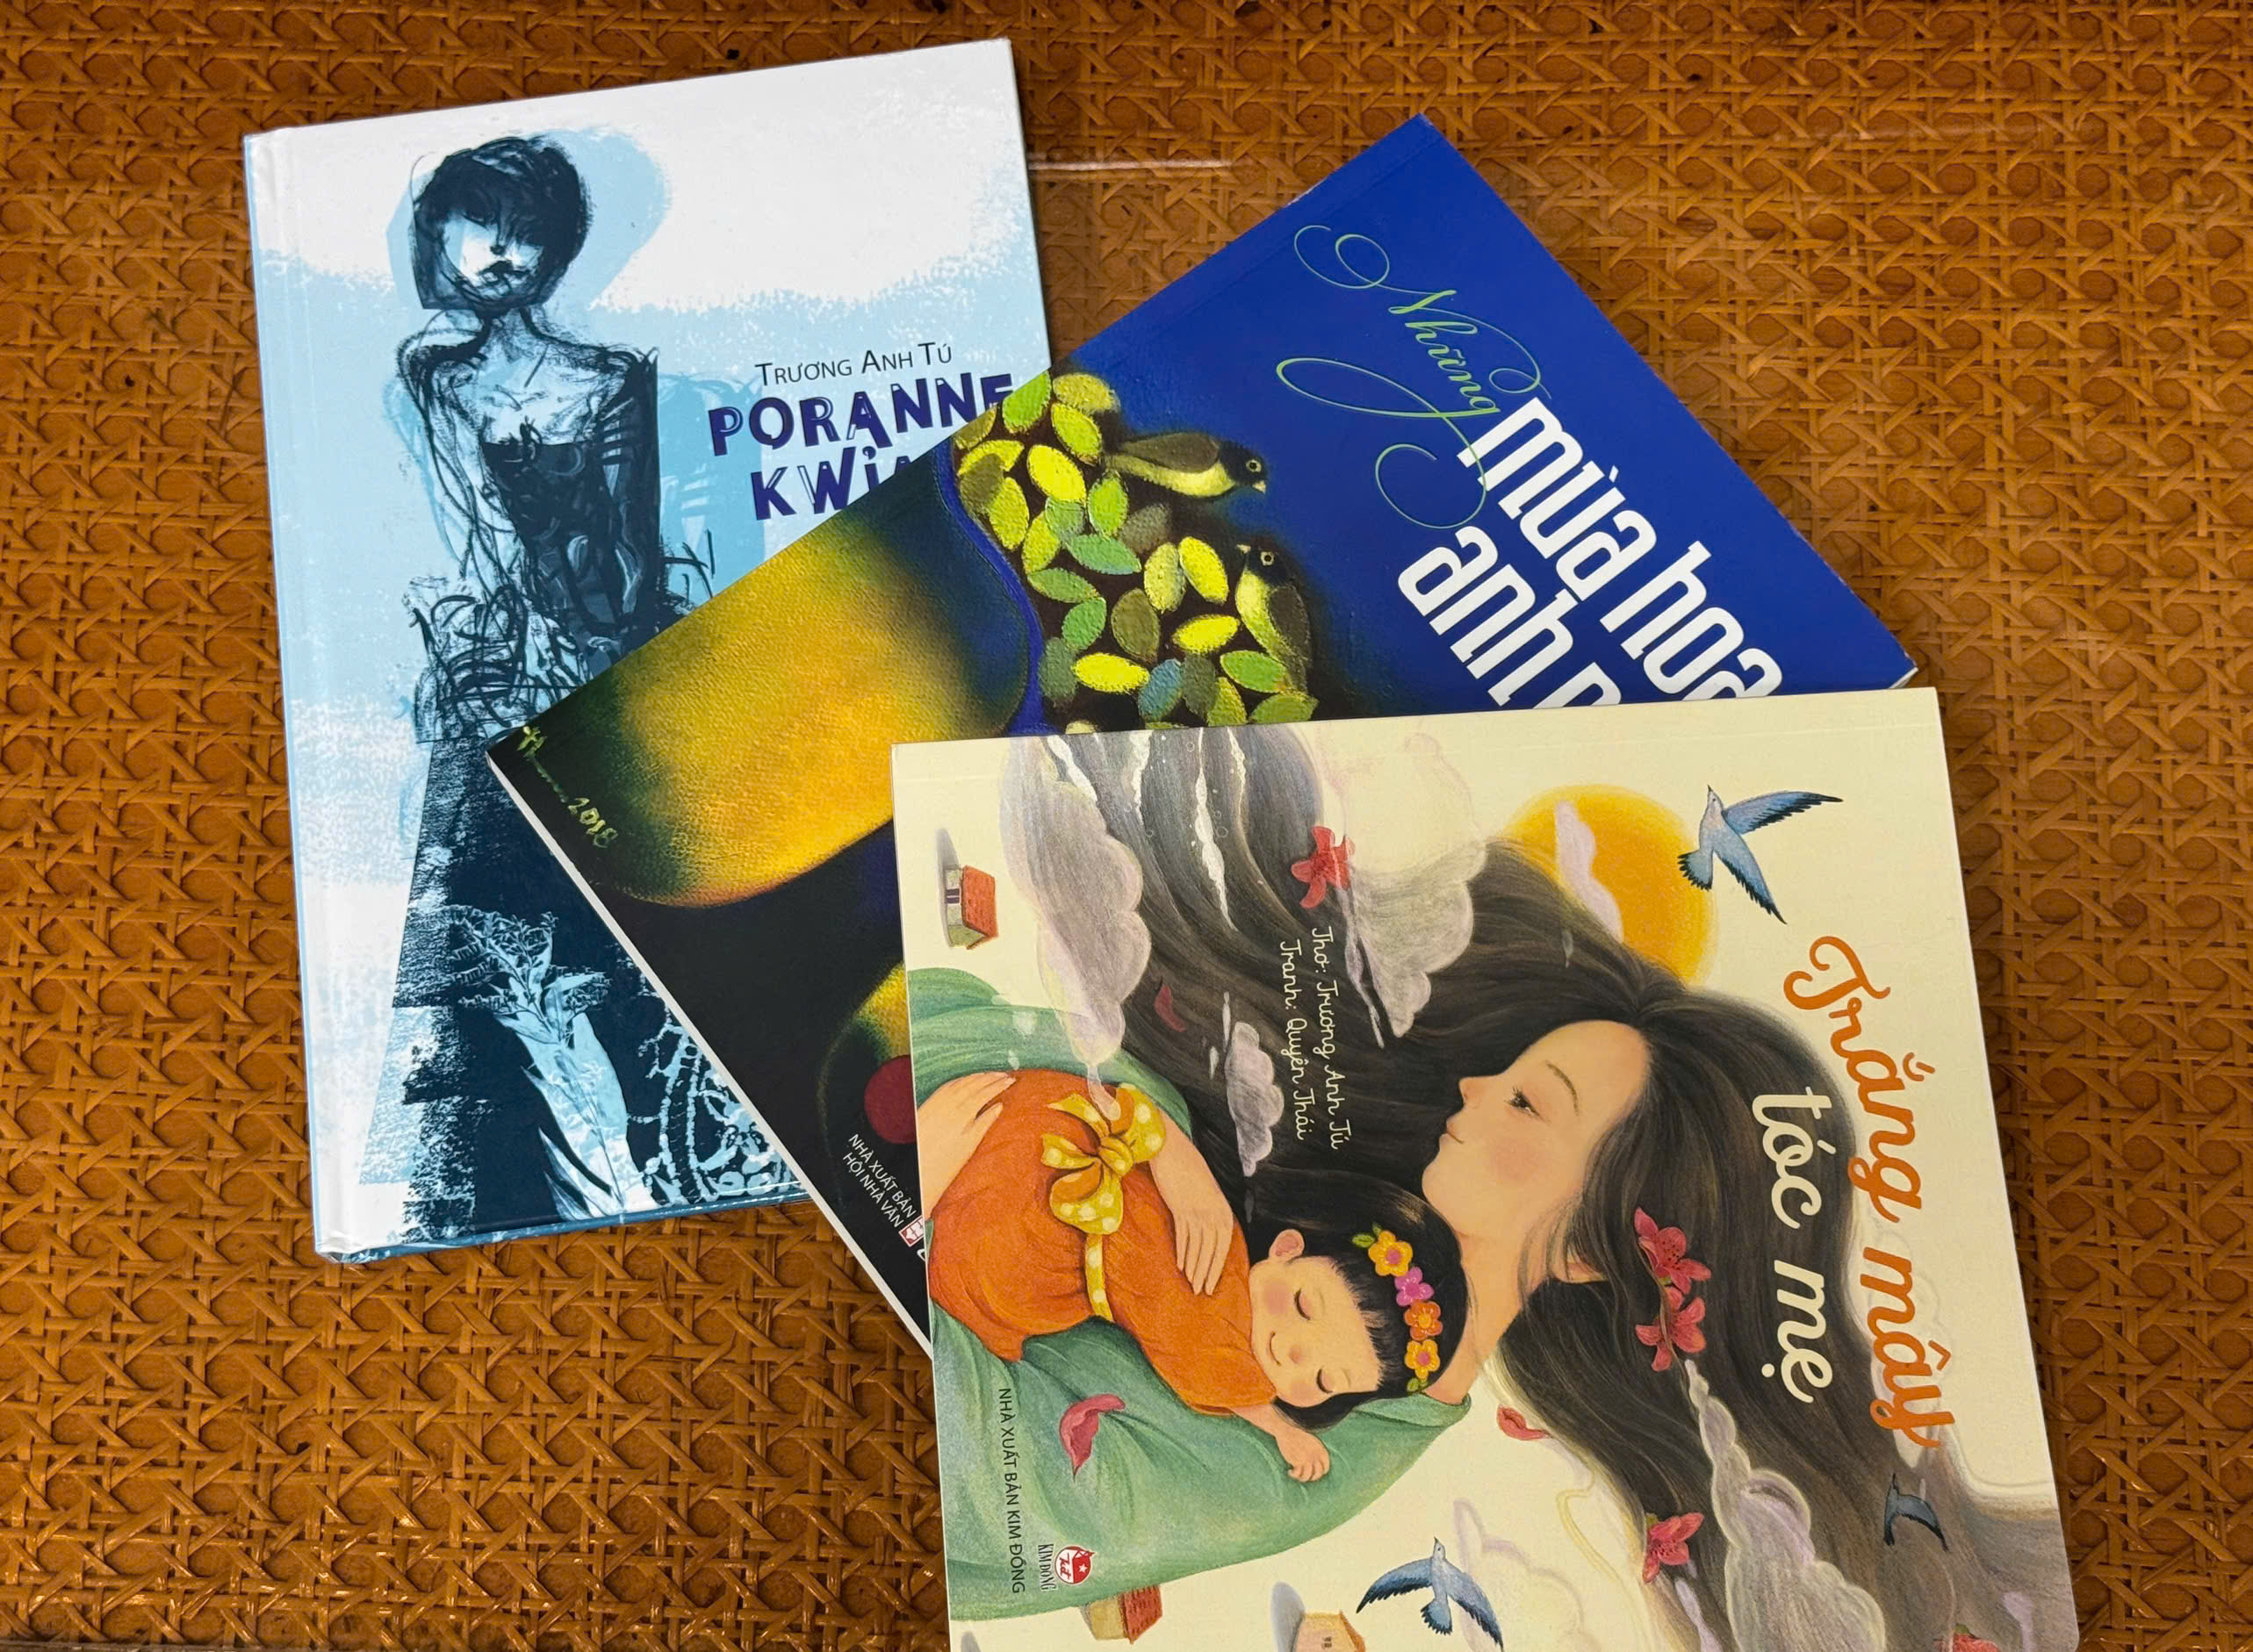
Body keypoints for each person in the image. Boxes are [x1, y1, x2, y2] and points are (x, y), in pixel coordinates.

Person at [914, 725, 2074, 1650]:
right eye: (1509, 1073)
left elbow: (995, 1494)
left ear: (1586, 1250)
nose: (1474, 1086)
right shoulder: (1332, 1202)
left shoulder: (1332, 1420)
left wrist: (924, 1185)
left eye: (1528, 1103)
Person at [379, 136, 700, 1235]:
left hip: (604, 663)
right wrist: (483, 650)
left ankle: (646, 1154)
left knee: (621, 933)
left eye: (526, 231)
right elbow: (461, 541)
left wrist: (574, 608)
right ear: (442, 238)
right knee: (492, 947)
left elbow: (627, 569)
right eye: (481, 226)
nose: (503, 251)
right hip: (493, 675)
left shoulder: (610, 380)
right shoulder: (433, 378)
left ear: (558, 247)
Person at [922, 1067, 1469, 1482]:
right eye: (1304, 1306)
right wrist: (1281, 1430)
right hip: (1048, 1170)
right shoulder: (1220, 1261)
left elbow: (1218, 1370)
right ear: (1286, 1249)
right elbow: (1209, 1364)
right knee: (993, 1290)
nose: (1295, 1352)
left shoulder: (1233, 1338)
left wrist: (1283, 1430)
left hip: (1064, 1222)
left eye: (1326, 1380)